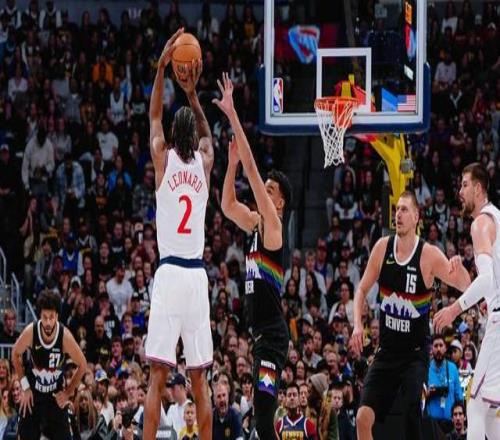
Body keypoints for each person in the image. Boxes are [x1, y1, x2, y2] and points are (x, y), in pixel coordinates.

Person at [351, 191, 471, 440]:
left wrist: (459, 269)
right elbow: (361, 290)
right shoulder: (382, 248)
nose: (399, 214)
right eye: (397, 209)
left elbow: (465, 286)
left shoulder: (428, 255)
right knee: (362, 418)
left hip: (414, 356)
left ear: (416, 217)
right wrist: (357, 326)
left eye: (405, 210)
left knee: (411, 415)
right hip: (386, 352)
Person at [144, 28, 214, 440]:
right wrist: (192, 94)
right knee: (199, 377)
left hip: (169, 273)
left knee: (158, 375)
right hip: (196, 276)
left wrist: (160, 71)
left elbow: (154, 117)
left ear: (173, 135)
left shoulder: (163, 159)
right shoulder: (204, 163)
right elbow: (207, 134)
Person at [216, 73, 292, 438]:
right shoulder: (255, 226)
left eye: (270, 190)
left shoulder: (273, 227)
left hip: (272, 338)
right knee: (263, 415)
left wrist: (232, 113)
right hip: (261, 336)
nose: (264, 191)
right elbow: (227, 205)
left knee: (262, 415)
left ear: (279, 203)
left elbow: (252, 169)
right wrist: (230, 164)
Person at [435, 162, 500, 439]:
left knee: (475, 405)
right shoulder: (496, 217)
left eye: (464, 185)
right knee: (490, 410)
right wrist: (464, 279)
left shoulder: (481, 223)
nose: (460, 192)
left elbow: (486, 280)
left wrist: (453, 309)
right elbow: (490, 288)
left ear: (478, 188)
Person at [11, 290, 87, 439]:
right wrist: (25, 387)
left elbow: (83, 364)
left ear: (57, 316)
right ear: (39, 316)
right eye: (44, 317)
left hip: (55, 398)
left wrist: (67, 393)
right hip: (33, 395)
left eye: (51, 317)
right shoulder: (31, 332)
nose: (47, 322)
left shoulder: (64, 336)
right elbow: (15, 354)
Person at [426, 334, 463, 434]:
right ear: (431, 349)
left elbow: (459, 397)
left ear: (445, 348)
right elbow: (419, 399)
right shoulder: (426, 369)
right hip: (431, 424)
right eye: (435, 346)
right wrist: (428, 393)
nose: (438, 349)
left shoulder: (452, 368)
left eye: (441, 345)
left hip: (449, 424)